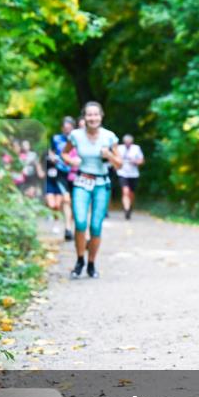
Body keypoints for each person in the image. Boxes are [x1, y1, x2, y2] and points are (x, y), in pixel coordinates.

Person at [62, 102, 121, 279]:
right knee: (80, 222)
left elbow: (119, 164)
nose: (92, 118)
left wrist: (109, 155)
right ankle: (80, 260)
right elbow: (64, 154)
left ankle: (91, 264)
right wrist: (71, 161)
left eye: (96, 114)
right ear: (84, 117)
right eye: (89, 115)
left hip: (102, 184)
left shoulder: (109, 137)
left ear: (101, 116)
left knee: (96, 225)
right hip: (82, 181)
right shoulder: (75, 135)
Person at [46, 117, 77, 241]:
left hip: (76, 173)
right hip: (60, 172)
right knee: (66, 200)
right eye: (65, 128)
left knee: (74, 203)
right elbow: (51, 151)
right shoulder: (56, 139)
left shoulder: (78, 138)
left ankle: (76, 227)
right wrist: (52, 157)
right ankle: (68, 229)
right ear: (62, 128)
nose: (67, 130)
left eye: (69, 128)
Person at [116, 134, 145, 219]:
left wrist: (135, 161)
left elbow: (142, 161)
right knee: (125, 191)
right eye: (126, 142)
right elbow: (115, 159)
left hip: (133, 174)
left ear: (132, 142)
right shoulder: (119, 148)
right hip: (122, 173)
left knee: (131, 193)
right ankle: (126, 209)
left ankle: (130, 206)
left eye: (129, 142)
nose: (127, 143)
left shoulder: (136, 148)